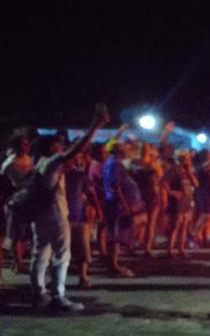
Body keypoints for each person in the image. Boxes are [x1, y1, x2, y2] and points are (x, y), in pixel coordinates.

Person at [26, 104, 108, 310]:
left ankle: (39, 293)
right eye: (59, 144)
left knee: (40, 254)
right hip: (55, 215)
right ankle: (58, 297)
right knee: (62, 255)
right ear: (52, 148)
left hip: (41, 215)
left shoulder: (40, 163)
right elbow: (76, 150)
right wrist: (95, 125)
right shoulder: (52, 162)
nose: (62, 147)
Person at [102, 140, 138, 276]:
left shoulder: (114, 163)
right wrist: (125, 204)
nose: (127, 149)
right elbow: (115, 186)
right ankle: (113, 266)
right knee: (115, 234)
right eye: (124, 147)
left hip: (116, 203)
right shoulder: (114, 164)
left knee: (116, 234)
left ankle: (114, 263)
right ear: (117, 150)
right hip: (116, 204)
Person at [65, 150, 101, 288]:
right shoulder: (58, 175)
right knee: (62, 249)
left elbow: (91, 194)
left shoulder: (80, 176)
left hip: (78, 215)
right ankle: (59, 278)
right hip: (62, 216)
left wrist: (98, 210)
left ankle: (83, 277)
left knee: (82, 247)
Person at [3, 135, 35, 274]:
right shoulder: (10, 163)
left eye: (27, 144)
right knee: (16, 234)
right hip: (15, 200)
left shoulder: (30, 159)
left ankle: (18, 261)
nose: (27, 147)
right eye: (24, 144)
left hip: (29, 199)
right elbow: (4, 183)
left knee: (26, 234)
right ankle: (18, 263)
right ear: (16, 146)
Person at [162, 149, 198, 258]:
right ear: (182, 159)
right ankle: (170, 251)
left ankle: (181, 249)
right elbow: (163, 182)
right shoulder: (174, 169)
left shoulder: (187, 171)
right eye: (187, 158)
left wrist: (190, 172)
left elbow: (196, 184)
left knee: (185, 226)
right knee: (175, 226)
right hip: (177, 202)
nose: (189, 160)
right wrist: (171, 193)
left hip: (187, 201)